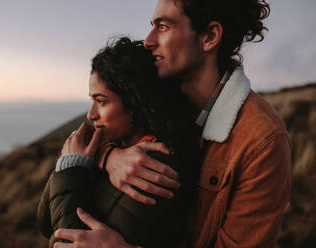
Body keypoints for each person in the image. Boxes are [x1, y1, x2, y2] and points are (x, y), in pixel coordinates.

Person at [53, 0, 292, 247]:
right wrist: (110, 156)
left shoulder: (262, 141)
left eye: (164, 26)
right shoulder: (154, 98)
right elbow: (89, 137)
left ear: (210, 36)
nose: (148, 40)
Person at [37, 37, 202, 247]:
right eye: (92, 101)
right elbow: (44, 222)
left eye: (101, 101)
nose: (91, 114)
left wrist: (71, 168)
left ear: (136, 101)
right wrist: (99, 156)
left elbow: (61, 238)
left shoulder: (153, 168)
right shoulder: (117, 149)